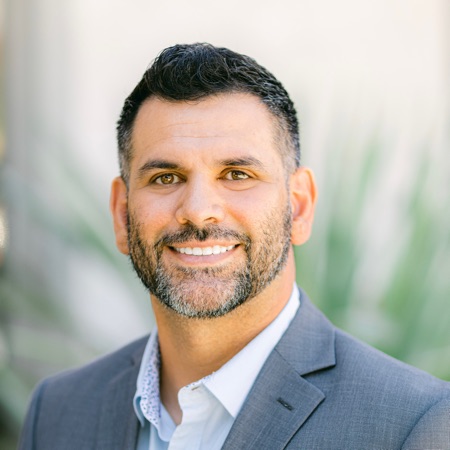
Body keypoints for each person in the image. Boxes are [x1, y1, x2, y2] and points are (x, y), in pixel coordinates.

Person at [19, 43, 450, 450]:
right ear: (121, 213)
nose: (198, 211)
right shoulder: (58, 413)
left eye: (237, 175)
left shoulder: (412, 424)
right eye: (166, 178)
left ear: (299, 207)